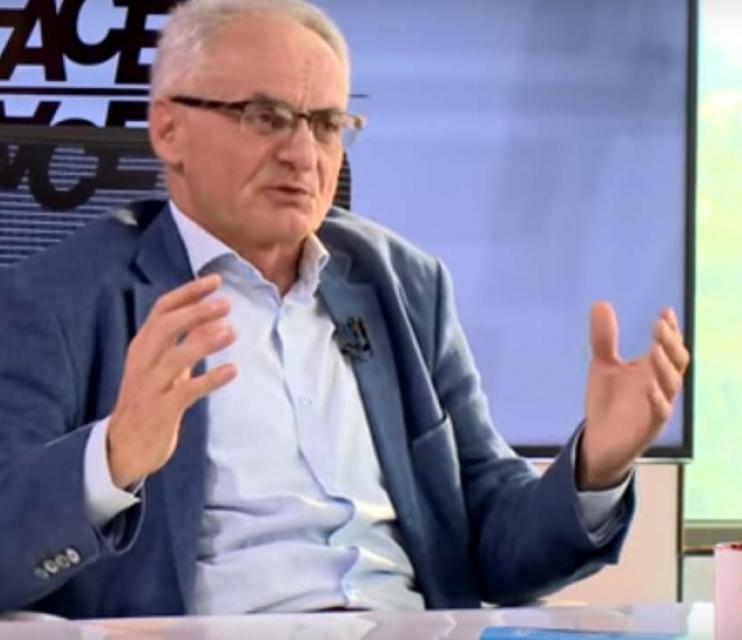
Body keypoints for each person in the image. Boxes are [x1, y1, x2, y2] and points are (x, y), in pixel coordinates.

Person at [0, 0, 689, 618]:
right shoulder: (59, 301)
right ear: (169, 129)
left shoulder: (404, 284)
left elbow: (495, 543)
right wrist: (111, 457)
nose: (303, 154)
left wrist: (597, 466)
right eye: (264, 117)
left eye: (327, 124)